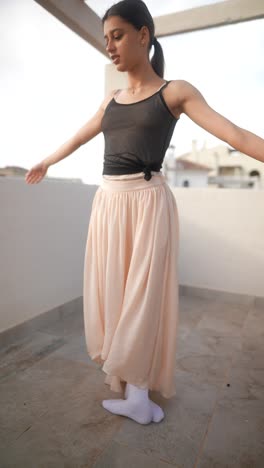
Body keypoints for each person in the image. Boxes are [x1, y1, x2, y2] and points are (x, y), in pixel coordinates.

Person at [25, 0, 264, 425]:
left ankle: (138, 395)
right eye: (105, 40)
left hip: (148, 201)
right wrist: (47, 161)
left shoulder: (176, 91)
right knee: (113, 294)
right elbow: (78, 138)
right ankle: (131, 387)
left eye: (117, 36)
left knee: (142, 298)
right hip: (109, 201)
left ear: (143, 35)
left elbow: (236, 134)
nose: (110, 47)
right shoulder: (111, 100)